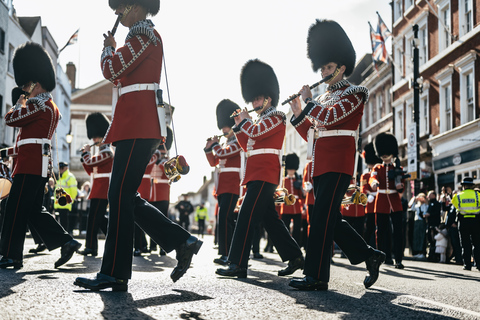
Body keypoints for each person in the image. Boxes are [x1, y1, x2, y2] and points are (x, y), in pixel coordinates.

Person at [74, 0, 202, 292]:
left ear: (133, 6)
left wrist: (108, 47)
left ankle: (115, 273)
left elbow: (112, 68)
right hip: (135, 123)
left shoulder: (143, 35)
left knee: (118, 194)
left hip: (139, 123)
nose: (117, 14)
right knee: (123, 195)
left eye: (119, 8)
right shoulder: (142, 36)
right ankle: (182, 241)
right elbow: (122, 76)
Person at [287, 20, 385, 291]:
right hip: (320, 165)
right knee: (329, 219)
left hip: (339, 164)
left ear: (341, 67)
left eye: (328, 67)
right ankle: (369, 255)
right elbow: (312, 133)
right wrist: (298, 113)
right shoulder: (323, 99)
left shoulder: (355, 94)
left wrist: (308, 104)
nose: (323, 71)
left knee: (321, 219)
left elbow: (331, 119)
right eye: (321, 67)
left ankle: (316, 275)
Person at [216, 59, 304, 279]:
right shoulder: (258, 120)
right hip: (256, 173)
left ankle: (237, 264)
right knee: (270, 220)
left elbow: (256, 132)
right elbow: (247, 145)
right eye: (253, 98)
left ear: (268, 98)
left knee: (245, 217)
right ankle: (294, 256)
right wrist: (238, 126)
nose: (254, 102)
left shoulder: (276, 116)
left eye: (257, 98)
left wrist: (245, 121)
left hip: (266, 174)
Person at [0, 42, 81, 269]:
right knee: (33, 209)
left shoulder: (38, 104)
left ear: (35, 82)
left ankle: (10, 254)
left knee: (15, 208)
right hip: (37, 164)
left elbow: (10, 119)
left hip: (30, 165)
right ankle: (65, 241)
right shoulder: (49, 105)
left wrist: (19, 101)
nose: (25, 88)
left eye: (26, 85)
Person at [204, 99, 242, 265]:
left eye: (226, 128)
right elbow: (214, 162)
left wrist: (215, 145)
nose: (224, 131)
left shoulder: (238, 141)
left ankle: (228, 253)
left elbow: (223, 154)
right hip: (222, 186)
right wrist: (208, 148)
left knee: (226, 219)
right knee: (222, 219)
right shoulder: (226, 142)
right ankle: (224, 252)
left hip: (233, 184)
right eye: (223, 128)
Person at [370, 132, 406, 269]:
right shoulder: (377, 168)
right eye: (382, 153)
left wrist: (400, 186)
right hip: (381, 202)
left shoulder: (398, 168)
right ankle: (383, 257)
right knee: (381, 231)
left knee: (398, 231)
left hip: (394, 202)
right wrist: (374, 184)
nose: (384, 155)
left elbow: (401, 187)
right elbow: (373, 177)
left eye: (386, 153)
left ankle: (398, 258)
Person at [77, 113, 112, 257]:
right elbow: (91, 170)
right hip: (97, 189)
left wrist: (86, 154)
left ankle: (91, 247)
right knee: (97, 220)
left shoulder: (107, 152)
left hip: (103, 190)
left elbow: (91, 162)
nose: (94, 139)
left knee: (93, 220)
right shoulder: (100, 153)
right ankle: (113, 239)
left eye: (96, 137)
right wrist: (84, 158)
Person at [148, 126, 174, 255]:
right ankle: (152, 245)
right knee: (151, 221)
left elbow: (171, 174)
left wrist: (161, 162)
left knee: (162, 221)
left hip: (163, 194)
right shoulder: (152, 158)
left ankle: (163, 246)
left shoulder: (167, 161)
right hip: (151, 193)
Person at [451, 177, 480, 271]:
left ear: (463, 186)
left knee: (465, 244)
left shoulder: (458, 196)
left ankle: (467, 265)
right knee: (477, 244)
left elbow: (455, 205)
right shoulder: (478, 195)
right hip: (476, 221)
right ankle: (479, 264)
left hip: (463, 221)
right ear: (472, 186)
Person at [361, 142, 382, 247]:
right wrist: (371, 195)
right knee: (369, 228)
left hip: (382, 204)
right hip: (371, 205)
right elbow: (363, 189)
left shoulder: (381, 171)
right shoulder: (365, 175)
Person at [280, 153, 304, 245]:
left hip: (297, 208)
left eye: (292, 169)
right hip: (286, 207)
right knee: (285, 228)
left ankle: (296, 244)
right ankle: (285, 244)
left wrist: (302, 190)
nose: (291, 171)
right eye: (289, 169)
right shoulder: (283, 181)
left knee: (297, 229)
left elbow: (302, 196)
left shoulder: (298, 180)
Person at [54, 162, 78, 235]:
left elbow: (73, 191)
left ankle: (66, 236)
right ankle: (62, 235)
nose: (60, 169)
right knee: (60, 221)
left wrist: (70, 200)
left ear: (66, 168)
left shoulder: (70, 177)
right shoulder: (60, 177)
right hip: (59, 203)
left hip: (65, 203)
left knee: (64, 222)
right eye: (59, 168)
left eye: (62, 168)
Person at [425, 190, 442, 262]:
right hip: (429, 224)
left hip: (435, 224)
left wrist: (430, 215)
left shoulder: (437, 203)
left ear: (434, 195)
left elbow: (437, 213)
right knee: (430, 240)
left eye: (430, 195)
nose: (428, 196)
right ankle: (431, 255)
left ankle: (435, 256)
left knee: (434, 240)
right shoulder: (430, 203)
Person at [412, 193, 428, 259]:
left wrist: (424, 201)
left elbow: (425, 212)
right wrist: (414, 200)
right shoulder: (416, 206)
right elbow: (412, 209)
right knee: (416, 237)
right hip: (417, 221)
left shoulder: (425, 205)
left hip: (422, 221)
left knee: (422, 236)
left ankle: (422, 252)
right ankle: (417, 251)